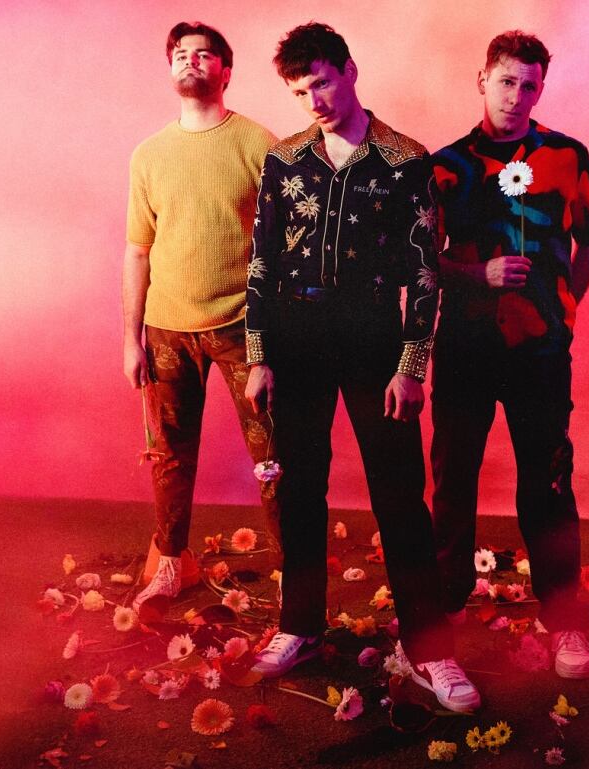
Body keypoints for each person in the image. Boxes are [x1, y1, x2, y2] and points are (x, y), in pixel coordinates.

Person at [244, 22, 480, 713]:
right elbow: (259, 260)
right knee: (300, 490)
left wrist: (412, 364)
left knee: (400, 494)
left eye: (319, 81)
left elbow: (425, 271)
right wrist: (259, 354)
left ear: (347, 70)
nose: (311, 98)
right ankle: (300, 626)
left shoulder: (406, 159)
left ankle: (427, 646)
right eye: (298, 89)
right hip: (295, 332)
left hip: (374, 331)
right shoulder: (284, 160)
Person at [430, 30, 589, 678]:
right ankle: (444, 609)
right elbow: (427, 263)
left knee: (550, 480)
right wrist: (480, 276)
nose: (517, 95)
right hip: (465, 346)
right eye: (506, 81)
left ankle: (564, 622)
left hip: (539, 349)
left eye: (530, 85)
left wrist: (567, 309)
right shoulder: (446, 167)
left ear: (541, 89)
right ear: (482, 80)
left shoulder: (567, 156)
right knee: (453, 481)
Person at [123, 21, 279, 613]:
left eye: (204, 54)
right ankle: (170, 563)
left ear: (225, 70)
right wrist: (130, 338)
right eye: (180, 55)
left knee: (272, 452)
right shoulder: (148, 154)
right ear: (169, 69)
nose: (191, 62)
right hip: (165, 328)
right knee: (168, 454)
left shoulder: (258, 144)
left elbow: (282, 245)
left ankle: (296, 565)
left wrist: (277, 330)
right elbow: (138, 249)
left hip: (244, 326)